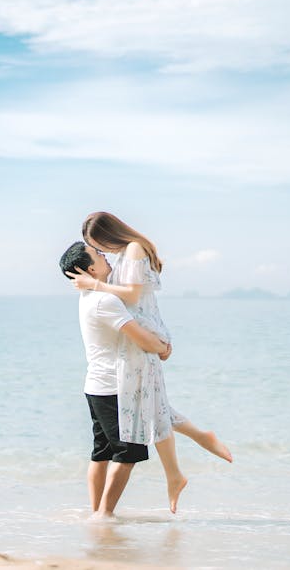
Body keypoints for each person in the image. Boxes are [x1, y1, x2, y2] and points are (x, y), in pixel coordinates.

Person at [67, 211, 233, 514]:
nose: (103, 251)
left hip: (136, 343)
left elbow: (132, 295)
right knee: (152, 409)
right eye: (96, 250)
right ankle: (186, 457)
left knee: (150, 409)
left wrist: (95, 285)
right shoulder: (119, 264)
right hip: (131, 349)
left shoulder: (131, 251)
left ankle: (178, 468)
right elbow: (130, 301)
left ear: (108, 234)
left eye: (98, 244)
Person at [59, 240, 172, 519]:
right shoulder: (104, 300)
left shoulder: (90, 297)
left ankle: (96, 511)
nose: (104, 255)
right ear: (89, 269)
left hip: (97, 387)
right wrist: (162, 347)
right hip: (113, 388)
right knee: (129, 452)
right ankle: (104, 514)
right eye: (97, 254)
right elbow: (139, 335)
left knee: (102, 451)